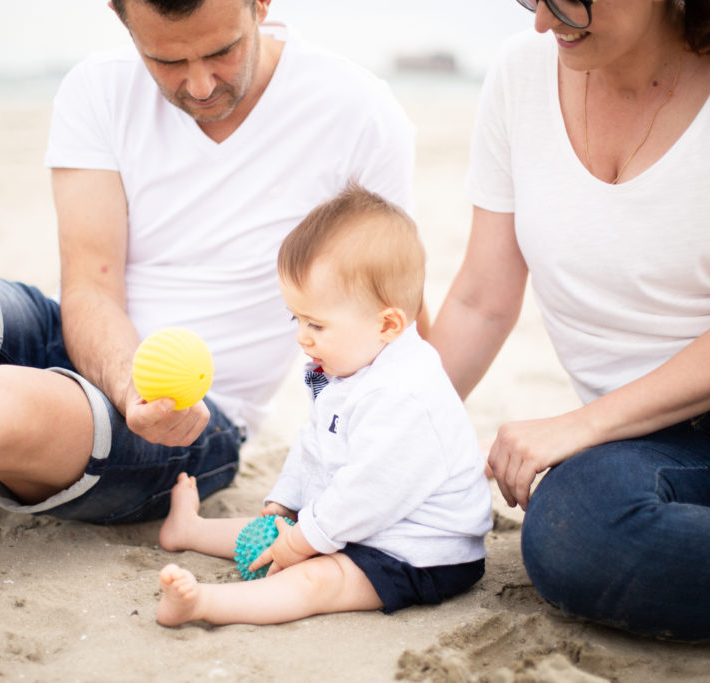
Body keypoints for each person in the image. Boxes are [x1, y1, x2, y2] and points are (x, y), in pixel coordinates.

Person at [0, 0, 415, 548]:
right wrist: (129, 389)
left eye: (221, 51)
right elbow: (90, 286)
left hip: (197, 419)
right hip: (87, 342)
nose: (200, 84)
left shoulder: (357, 111)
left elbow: (392, 309)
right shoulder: (97, 87)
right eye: (167, 60)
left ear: (261, 4)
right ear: (120, 16)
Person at [429, 0, 710, 642]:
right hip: (646, 435)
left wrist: (577, 426)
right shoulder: (518, 77)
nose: (543, 22)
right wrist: (377, 429)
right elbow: (481, 299)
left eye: (567, 1)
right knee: (575, 530)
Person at [154, 185, 492, 626]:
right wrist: (286, 504)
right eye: (297, 318)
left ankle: (204, 605)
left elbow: (369, 492)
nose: (302, 337)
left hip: (418, 550)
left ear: (387, 323)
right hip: (359, 519)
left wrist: (304, 540)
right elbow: (315, 442)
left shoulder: (404, 394)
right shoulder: (343, 364)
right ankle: (190, 530)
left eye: (316, 323)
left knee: (316, 579)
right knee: (271, 532)